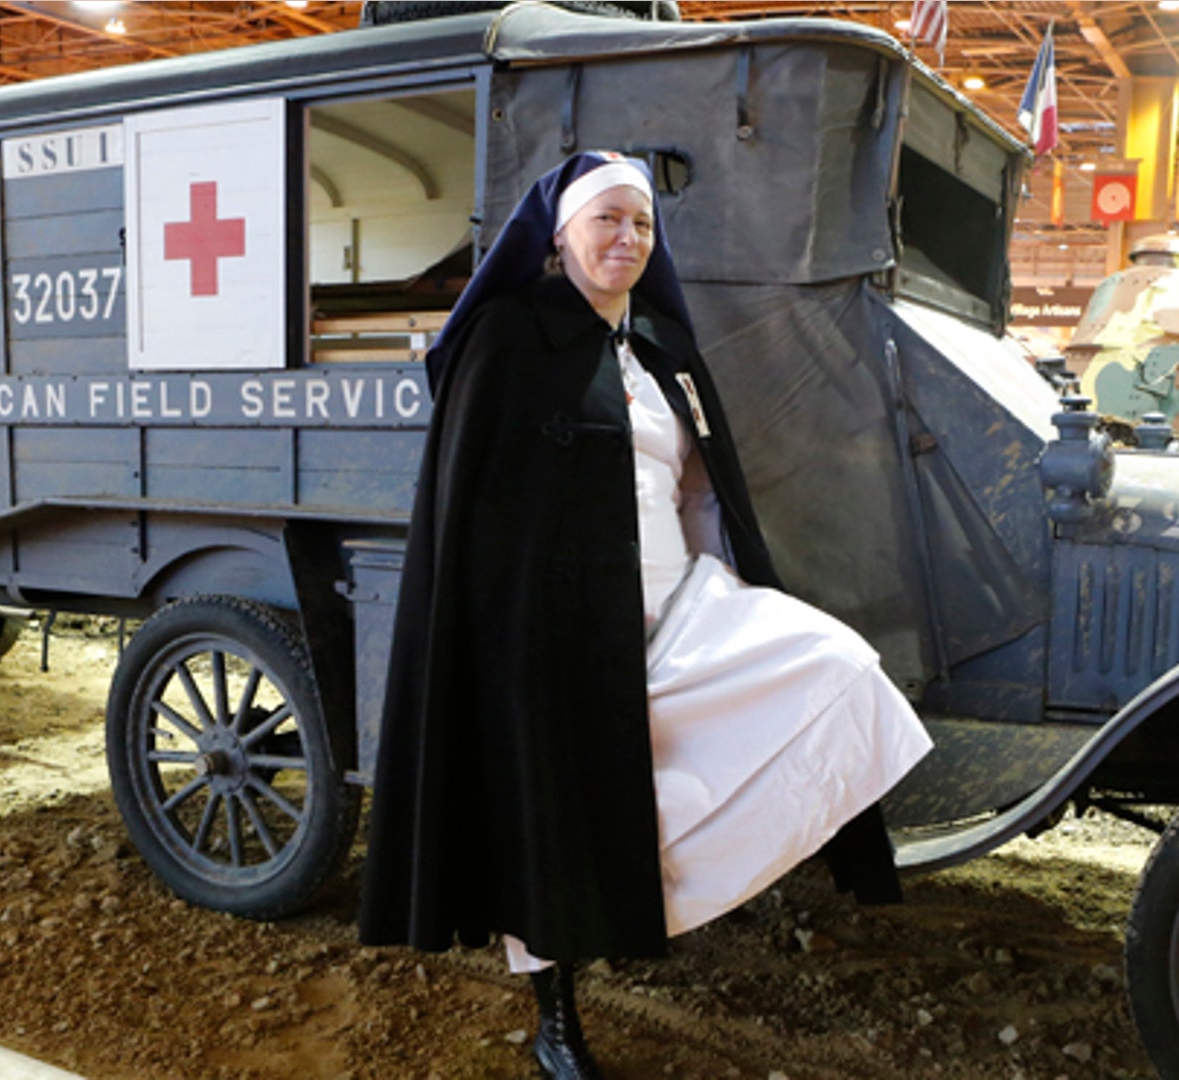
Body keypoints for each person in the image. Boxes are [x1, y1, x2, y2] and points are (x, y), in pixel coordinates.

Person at [358, 151, 933, 1080]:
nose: (627, 238)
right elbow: (478, 511)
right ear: (560, 236)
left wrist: (729, 571)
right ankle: (556, 1018)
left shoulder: (659, 346)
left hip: (677, 604)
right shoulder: (508, 336)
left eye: (642, 224)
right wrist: (509, 645)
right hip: (554, 635)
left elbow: (699, 487)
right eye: (608, 220)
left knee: (837, 671)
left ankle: (658, 901)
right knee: (548, 817)